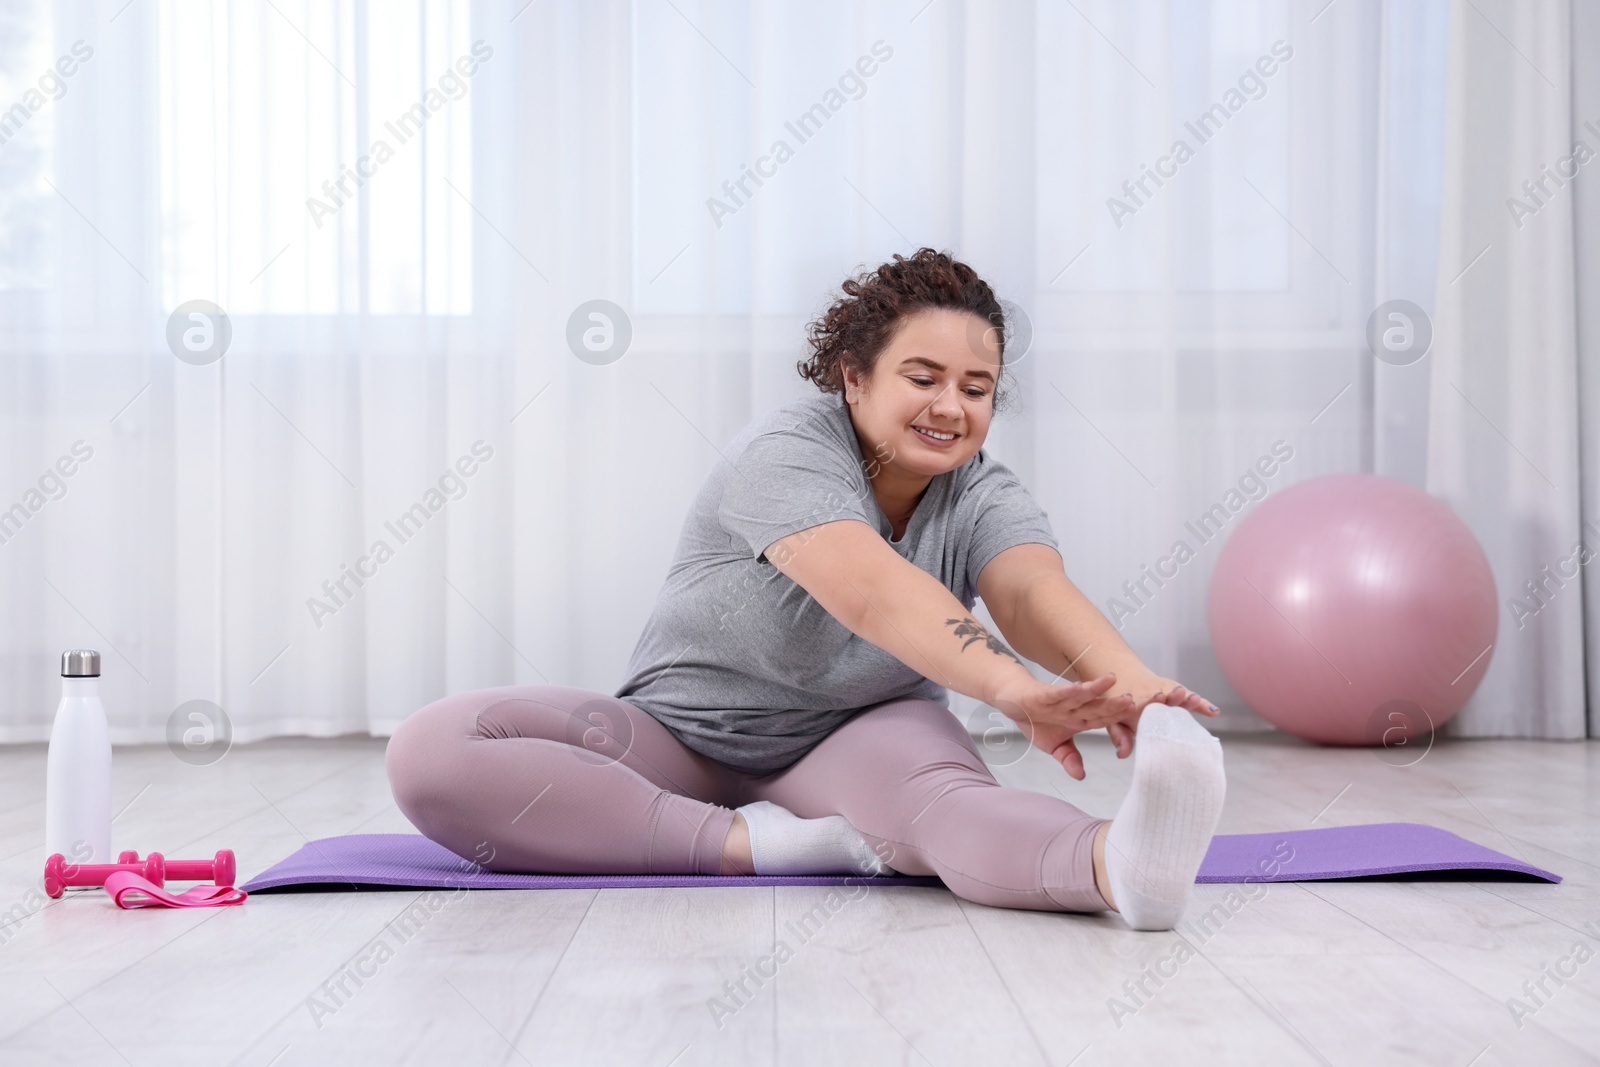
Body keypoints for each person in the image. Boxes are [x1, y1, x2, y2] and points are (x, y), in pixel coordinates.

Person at [386, 248, 1226, 930]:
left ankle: (1120, 868)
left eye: (976, 389)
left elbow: (1032, 592)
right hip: (680, 735)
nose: (951, 406)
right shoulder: (788, 451)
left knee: (944, 806)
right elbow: (872, 592)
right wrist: (1014, 690)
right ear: (854, 377)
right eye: (923, 377)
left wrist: (1137, 687)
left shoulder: (982, 492)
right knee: (434, 749)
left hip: (861, 734)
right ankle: (751, 843)